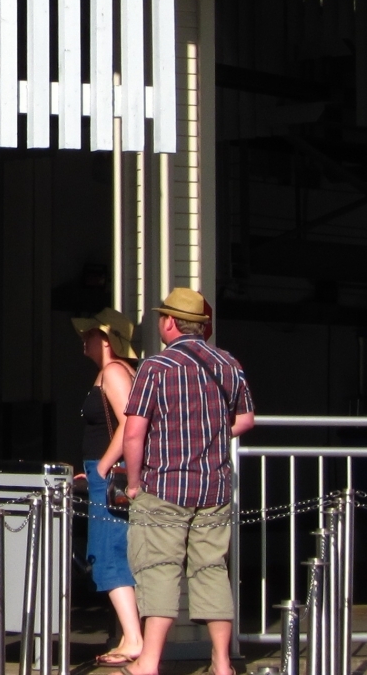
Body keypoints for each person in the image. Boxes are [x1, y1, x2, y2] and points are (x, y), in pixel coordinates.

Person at [120, 289, 255, 675]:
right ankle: (222, 662)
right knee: (211, 569)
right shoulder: (228, 363)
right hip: (214, 487)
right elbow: (246, 419)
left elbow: (134, 433)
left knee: (159, 567)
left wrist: (133, 483)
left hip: (164, 485)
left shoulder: (155, 367)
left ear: (170, 322)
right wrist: (211, 434)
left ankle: (148, 662)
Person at [72, 308, 145, 668]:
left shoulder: (115, 372)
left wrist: (100, 468)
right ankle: (130, 636)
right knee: (110, 552)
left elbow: (129, 422)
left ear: (105, 340)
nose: (83, 340)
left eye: (89, 334)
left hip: (109, 474)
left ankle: (133, 638)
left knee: (108, 555)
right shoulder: (118, 371)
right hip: (101, 471)